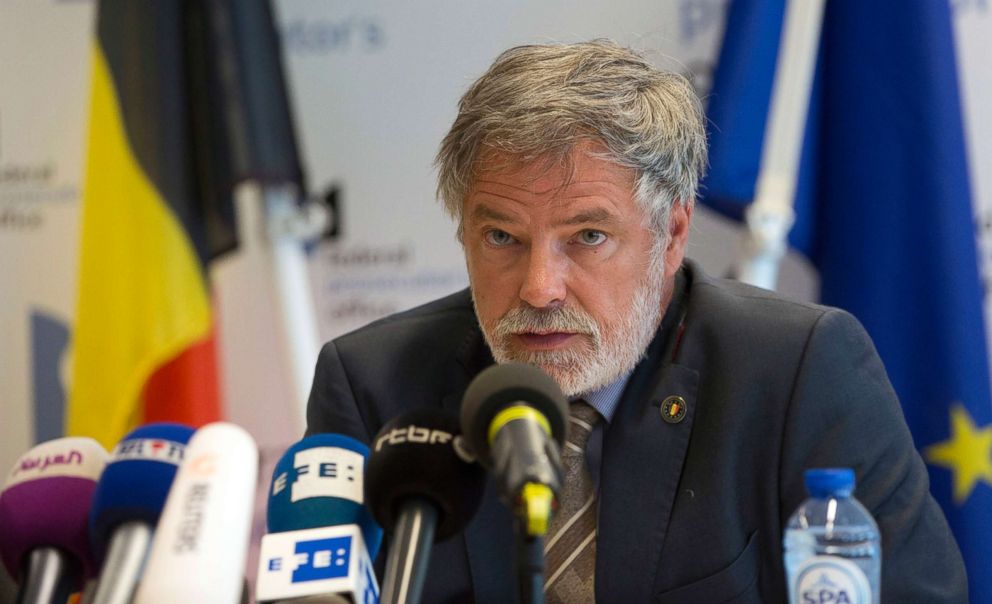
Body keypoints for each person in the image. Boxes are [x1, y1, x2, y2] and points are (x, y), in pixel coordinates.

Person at [306, 40, 967, 603]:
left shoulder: (799, 371)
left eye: (588, 236)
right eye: (503, 238)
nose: (538, 288)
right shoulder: (374, 386)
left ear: (671, 234)